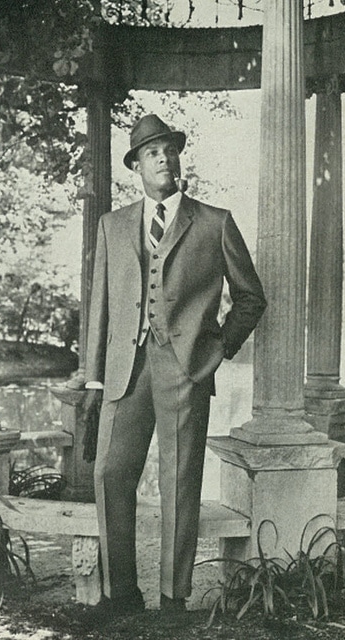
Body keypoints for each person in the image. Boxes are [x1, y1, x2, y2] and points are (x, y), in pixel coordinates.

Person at [82, 114, 266, 624]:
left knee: (180, 481)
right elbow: (99, 305)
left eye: (169, 150)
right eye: (152, 152)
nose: (164, 158)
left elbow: (251, 299)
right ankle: (121, 593)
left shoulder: (214, 221)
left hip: (185, 368)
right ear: (136, 166)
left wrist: (215, 352)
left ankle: (173, 598)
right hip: (126, 367)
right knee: (110, 473)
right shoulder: (113, 225)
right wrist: (94, 375)